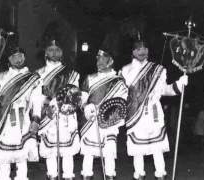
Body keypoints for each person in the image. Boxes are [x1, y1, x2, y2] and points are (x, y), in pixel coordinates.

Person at [118, 34, 188, 180]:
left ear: (148, 51)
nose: (142, 51)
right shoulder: (125, 70)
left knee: (157, 149)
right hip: (134, 114)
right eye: (138, 49)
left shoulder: (158, 69)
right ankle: (138, 175)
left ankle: (160, 175)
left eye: (144, 48)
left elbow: (165, 91)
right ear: (133, 52)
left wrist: (179, 84)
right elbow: (122, 95)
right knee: (138, 150)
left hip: (154, 113)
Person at [0, 45, 42, 180]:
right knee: (4, 160)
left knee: (22, 160)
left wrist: (36, 120)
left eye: (20, 56)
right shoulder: (0, 76)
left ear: (25, 58)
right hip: (4, 121)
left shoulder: (33, 78)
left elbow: (36, 101)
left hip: (24, 121)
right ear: (9, 60)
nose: (18, 59)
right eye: (14, 57)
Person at [79, 44, 128, 180]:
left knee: (109, 153)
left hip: (110, 122)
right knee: (88, 154)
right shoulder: (89, 78)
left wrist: (109, 118)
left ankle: (110, 176)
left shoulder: (118, 81)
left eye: (103, 58)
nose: (99, 62)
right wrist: (86, 106)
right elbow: (81, 99)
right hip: (90, 122)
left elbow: (121, 103)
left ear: (110, 61)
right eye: (98, 59)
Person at [36, 39, 80, 180]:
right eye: (50, 49)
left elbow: (75, 93)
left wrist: (63, 103)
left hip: (66, 115)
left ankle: (68, 176)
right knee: (50, 151)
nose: (53, 53)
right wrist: (50, 101)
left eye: (57, 50)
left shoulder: (71, 73)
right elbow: (35, 96)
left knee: (67, 152)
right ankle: (52, 176)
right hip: (48, 114)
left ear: (61, 53)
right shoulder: (38, 74)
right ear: (45, 52)